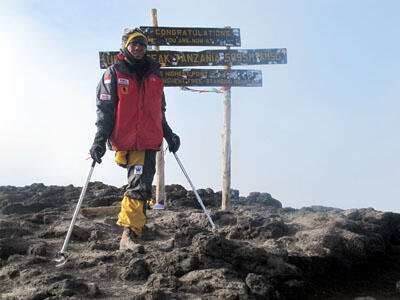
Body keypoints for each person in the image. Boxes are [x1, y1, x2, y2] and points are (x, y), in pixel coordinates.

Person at [89, 28, 180, 251]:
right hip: (129, 139)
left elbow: (159, 110)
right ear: (125, 46)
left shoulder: (155, 75)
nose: (138, 48)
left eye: (141, 44)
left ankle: (138, 228)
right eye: (133, 44)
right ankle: (127, 235)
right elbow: (105, 110)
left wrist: (168, 134)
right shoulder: (113, 73)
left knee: (144, 185)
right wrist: (99, 140)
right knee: (138, 185)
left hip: (150, 138)